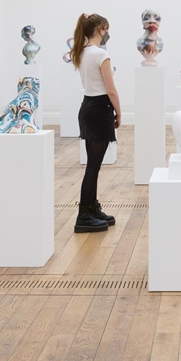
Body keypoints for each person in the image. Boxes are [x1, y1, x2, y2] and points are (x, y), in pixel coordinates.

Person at [70, 13, 121, 233]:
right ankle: (83, 215)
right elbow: (111, 90)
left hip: (87, 108)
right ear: (100, 29)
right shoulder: (101, 55)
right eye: (106, 28)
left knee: (93, 164)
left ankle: (91, 209)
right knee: (93, 166)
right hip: (100, 110)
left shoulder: (81, 52)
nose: (107, 33)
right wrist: (119, 113)